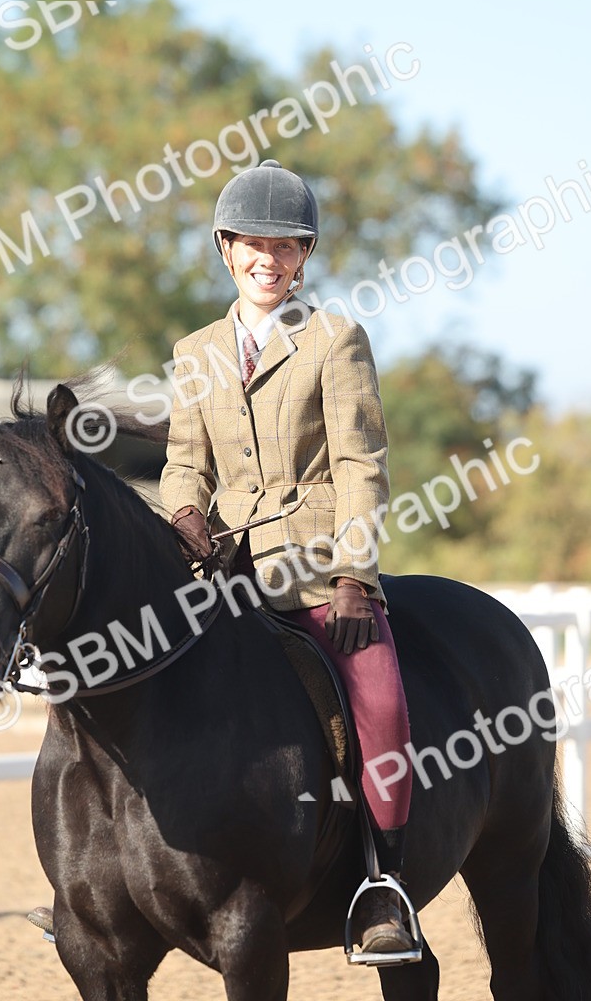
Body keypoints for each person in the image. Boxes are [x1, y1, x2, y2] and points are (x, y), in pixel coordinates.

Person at [160, 159, 416, 958]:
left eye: (285, 246)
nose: (267, 260)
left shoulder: (335, 340)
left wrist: (353, 576)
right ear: (225, 249)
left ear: (304, 256)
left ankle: (385, 884)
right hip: (223, 578)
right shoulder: (194, 349)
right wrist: (185, 510)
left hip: (316, 571)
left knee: (381, 707)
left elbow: (361, 466)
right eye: (251, 245)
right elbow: (181, 461)